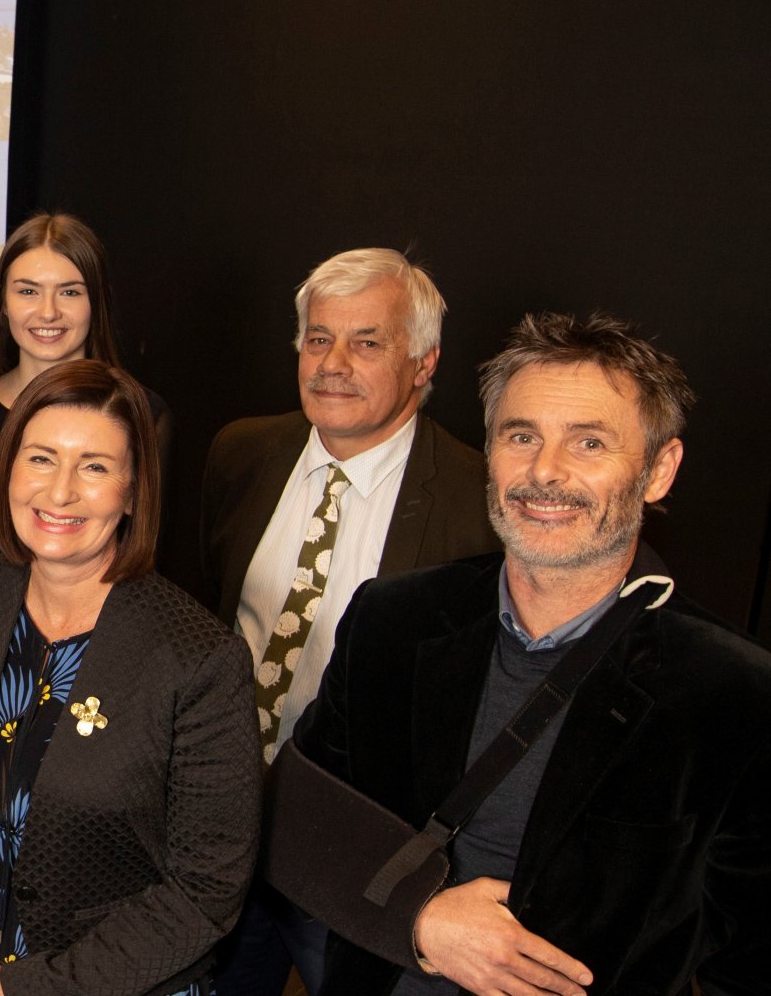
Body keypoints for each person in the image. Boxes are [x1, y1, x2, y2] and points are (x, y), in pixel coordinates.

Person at [285, 313, 771, 996]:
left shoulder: (736, 694)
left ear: (659, 471)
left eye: (589, 443)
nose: (545, 472)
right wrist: (418, 918)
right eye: (521, 436)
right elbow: (295, 824)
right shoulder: (392, 622)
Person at [0, 360, 260, 996]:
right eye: (40, 458)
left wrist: (33, 989)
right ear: (8, 467)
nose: (60, 492)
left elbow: (206, 889)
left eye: (93, 467)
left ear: (133, 489)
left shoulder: (201, 659)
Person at [202, 249, 495, 996]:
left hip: (357, 847)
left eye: (368, 342)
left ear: (424, 363)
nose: (333, 363)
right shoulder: (240, 454)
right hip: (219, 826)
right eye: (318, 338)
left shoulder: (478, 501)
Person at [0, 212, 173, 479]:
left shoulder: (143, 415)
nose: (48, 312)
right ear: (3, 303)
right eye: (28, 291)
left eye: (70, 292)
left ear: (98, 302)